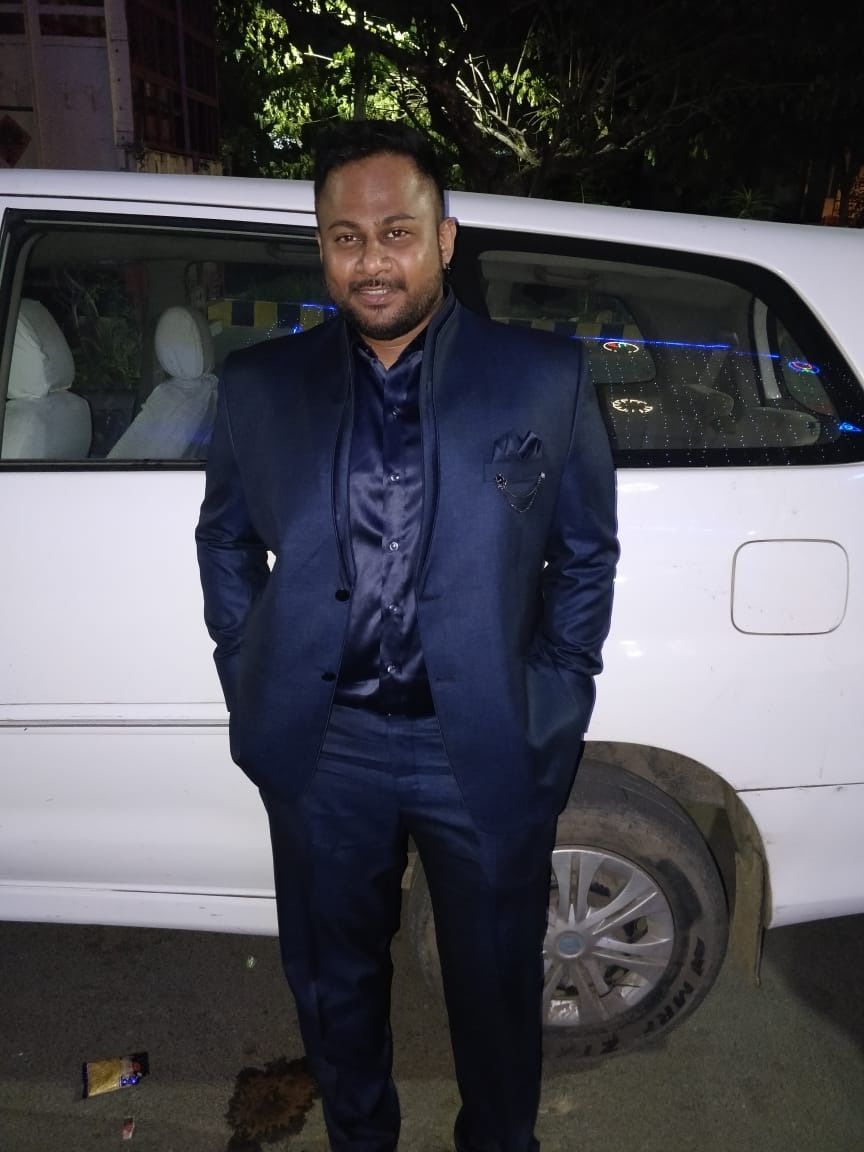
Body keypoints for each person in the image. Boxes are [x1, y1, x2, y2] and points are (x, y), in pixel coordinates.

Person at [195, 119, 618, 1152]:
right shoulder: (260, 386)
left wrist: (554, 695)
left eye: (396, 232)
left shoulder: (543, 378)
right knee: (332, 986)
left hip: (483, 740)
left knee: (496, 987)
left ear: (444, 238)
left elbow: (585, 556)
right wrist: (249, 669)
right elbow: (225, 540)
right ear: (322, 249)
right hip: (324, 746)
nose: (372, 260)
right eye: (346, 237)